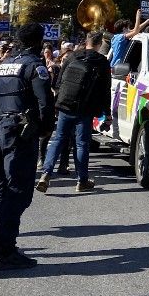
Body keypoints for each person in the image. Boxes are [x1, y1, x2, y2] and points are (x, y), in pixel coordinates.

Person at [0, 23, 55, 270]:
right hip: (19, 132)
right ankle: (7, 250)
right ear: (40, 41)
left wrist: (0, 118)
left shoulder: (3, 65)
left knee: (1, 186)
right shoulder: (36, 67)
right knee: (18, 191)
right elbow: (45, 102)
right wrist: (43, 128)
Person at [36, 30, 111, 194]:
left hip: (65, 105)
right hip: (85, 108)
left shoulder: (72, 56)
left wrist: (58, 102)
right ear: (99, 44)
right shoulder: (101, 61)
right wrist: (108, 113)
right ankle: (82, 180)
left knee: (58, 140)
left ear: (86, 41)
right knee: (82, 143)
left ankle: (45, 174)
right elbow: (106, 90)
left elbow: (59, 81)